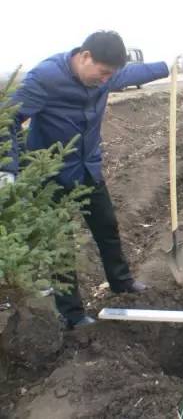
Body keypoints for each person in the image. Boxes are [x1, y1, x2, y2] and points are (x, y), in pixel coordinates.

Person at [0, 31, 171, 329]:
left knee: (107, 227)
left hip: (88, 170)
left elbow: (132, 73)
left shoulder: (104, 76)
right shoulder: (45, 77)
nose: (106, 80)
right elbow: (8, 118)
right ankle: (73, 314)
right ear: (85, 56)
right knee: (61, 245)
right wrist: (8, 169)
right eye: (103, 73)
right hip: (50, 176)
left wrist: (168, 65)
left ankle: (121, 282)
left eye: (111, 75)